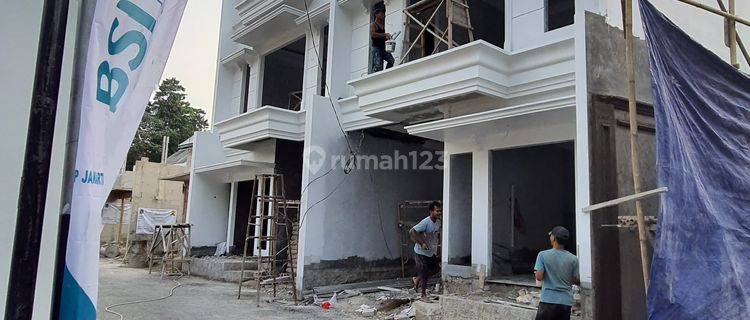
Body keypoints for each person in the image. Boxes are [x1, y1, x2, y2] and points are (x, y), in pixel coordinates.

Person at [534, 226, 580, 320]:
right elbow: (576, 280)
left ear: (553, 238)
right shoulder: (573, 258)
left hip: (548, 300)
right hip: (565, 302)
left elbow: (539, 277)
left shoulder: (542, 255)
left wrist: (537, 273)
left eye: (551, 235)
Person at [409, 201, 442, 298]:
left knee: (436, 269)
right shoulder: (425, 222)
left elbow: (435, 236)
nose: (439, 213)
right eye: (437, 211)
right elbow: (412, 231)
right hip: (420, 252)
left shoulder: (438, 222)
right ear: (431, 211)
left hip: (430, 252)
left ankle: (417, 279)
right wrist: (421, 243)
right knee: (424, 271)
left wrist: (436, 248)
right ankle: (423, 294)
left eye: (440, 211)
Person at [370, 7, 394, 73]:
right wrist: (385, 34)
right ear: (376, 15)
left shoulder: (382, 25)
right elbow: (373, 34)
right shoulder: (373, 24)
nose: (383, 15)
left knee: (391, 60)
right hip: (376, 48)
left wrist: (388, 39)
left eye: (383, 14)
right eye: (381, 14)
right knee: (378, 65)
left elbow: (381, 36)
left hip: (383, 48)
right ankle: (374, 77)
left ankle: (385, 74)